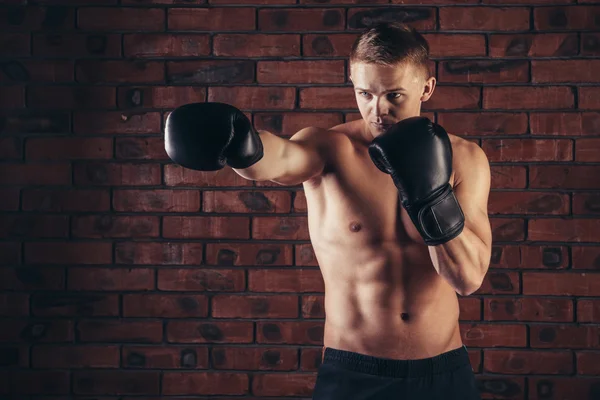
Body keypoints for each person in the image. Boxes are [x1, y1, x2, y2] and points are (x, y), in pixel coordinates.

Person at [164, 22, 491, 400]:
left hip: (442, 372)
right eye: (365, 93)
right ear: (351, 81)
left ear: (427, 87)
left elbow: (467, 280)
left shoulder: (465, 158)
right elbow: (279, 159)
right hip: (354, 372)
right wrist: (241, 145)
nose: (378, 109)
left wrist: (431, 197)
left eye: (394, 95)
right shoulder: (329, 149)